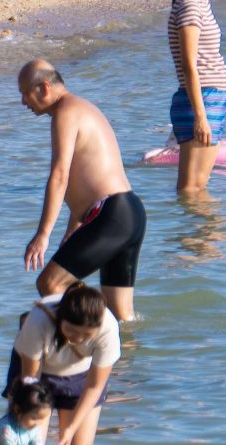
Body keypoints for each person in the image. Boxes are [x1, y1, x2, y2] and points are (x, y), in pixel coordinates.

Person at [17, 60, 148, 324]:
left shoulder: (65, 112)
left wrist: (43, 234)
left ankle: (75, 346)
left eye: (24, 93)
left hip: (111, 215)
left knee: (50, 283)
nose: (23, 102)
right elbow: (87, 181)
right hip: (129, 213)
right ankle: (118, 351)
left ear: (44, 88)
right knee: (120, 317)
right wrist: (72, 232)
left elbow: (60, 175)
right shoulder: (82, 108)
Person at [5, 280, 122, 445]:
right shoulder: (39, 320)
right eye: (72, 330)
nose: (78, 338)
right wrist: (31, 429)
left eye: (87, 334)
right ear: (61, 319)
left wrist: (71, 429)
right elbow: (31, 382)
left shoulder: (108, 328)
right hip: (35, 378)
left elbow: (94, 386)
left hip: (81, 377)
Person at [164, 0, 226, 207]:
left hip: (207, 98)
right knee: (192, 189)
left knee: (196, 188)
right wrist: (201, 116)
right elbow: (189, 64)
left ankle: (199, 233)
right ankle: (201, 233)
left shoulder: (197, 2)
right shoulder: (190, 5)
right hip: (202, 99)